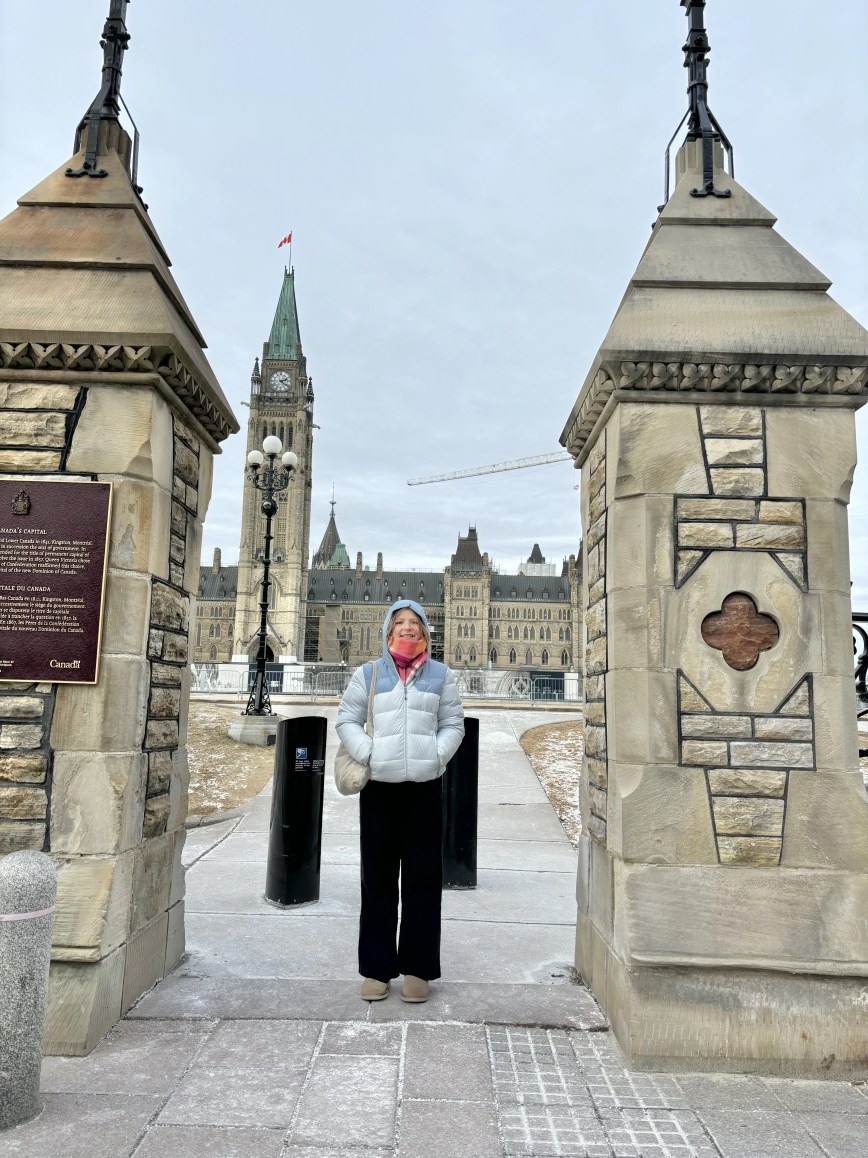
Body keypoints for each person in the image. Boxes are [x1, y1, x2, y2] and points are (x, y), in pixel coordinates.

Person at [336, 598, 464, 1003]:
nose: (408, 629)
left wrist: (436, 756)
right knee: (377, 880)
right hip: (380, 789)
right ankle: (376, 969)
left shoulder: (441, 676)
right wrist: (370, 754)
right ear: (389, 632)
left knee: (423, 882)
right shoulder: (369, 674)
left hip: (424, 789)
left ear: (425, 633)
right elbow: (346, 720)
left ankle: (418, 970)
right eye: (400, 623)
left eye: (415, 624)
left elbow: (453, 724)